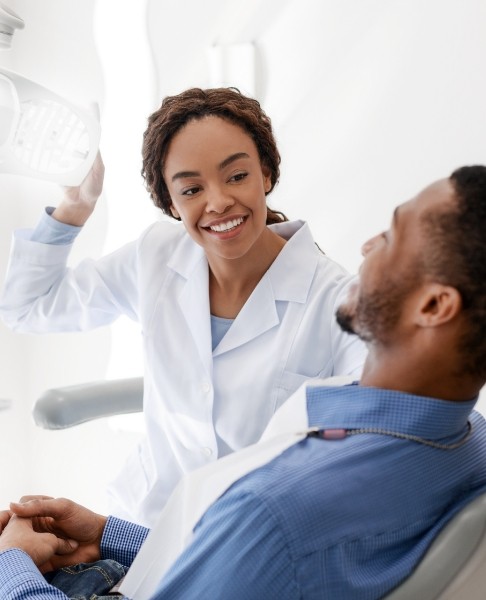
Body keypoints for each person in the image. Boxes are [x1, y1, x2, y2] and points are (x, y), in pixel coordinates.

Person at [1, 165, 486, 600]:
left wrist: (11, 565)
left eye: (393, 235)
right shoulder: (469, 439)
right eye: (191, 187)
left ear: (433, 307)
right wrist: (109, 533)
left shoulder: (275, 510)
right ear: (171, 202)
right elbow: (243, 567)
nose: (367, 244)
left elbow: (269, 541)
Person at [0, 88, 366, 527]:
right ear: (171, 203)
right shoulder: (158, 254)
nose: (218, 202)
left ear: (265, 174)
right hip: (138, 523)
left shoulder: (338, 300)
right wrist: (77, 204)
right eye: (192, 189)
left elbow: (375, 438)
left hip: (244, 542)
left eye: (236, 176)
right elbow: (27, 306)